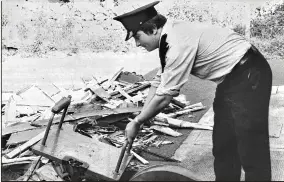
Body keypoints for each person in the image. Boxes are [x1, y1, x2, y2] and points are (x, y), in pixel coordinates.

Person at [113, 1, 272, 181]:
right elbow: (159, 83)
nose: (136, 44)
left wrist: (138, 121)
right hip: (231, 80)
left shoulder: (178, 42)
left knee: (251, 146)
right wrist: (139, 119)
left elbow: (165, 96)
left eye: (137, 37)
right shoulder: (170, 35)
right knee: (223, 144)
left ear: (153, 29)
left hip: (250, 73)